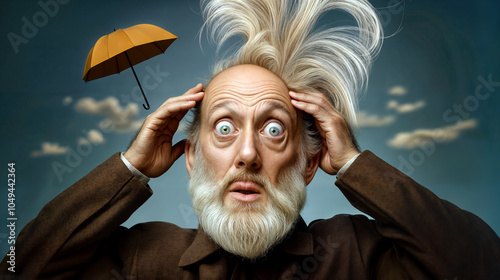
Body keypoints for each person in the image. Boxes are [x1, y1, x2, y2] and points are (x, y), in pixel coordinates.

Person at [2, 0, 499, 279]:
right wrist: (128, 168)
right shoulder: (142, 260)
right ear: (191, 157)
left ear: (308, 162)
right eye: (224, 128)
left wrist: (354, 164)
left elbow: (481, 266)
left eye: (274, 129)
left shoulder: (357, 255)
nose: (246, 154)